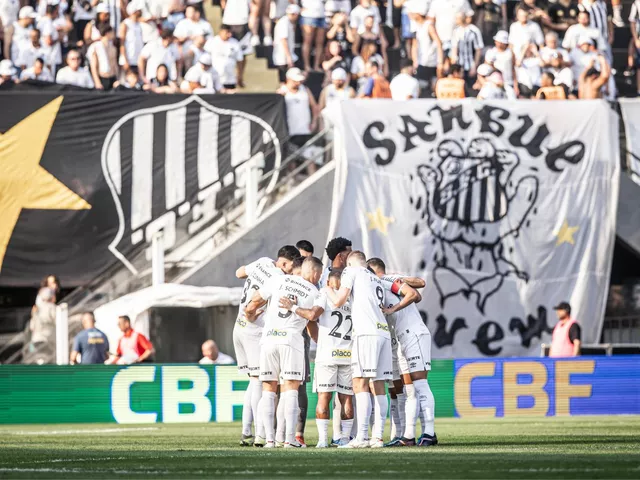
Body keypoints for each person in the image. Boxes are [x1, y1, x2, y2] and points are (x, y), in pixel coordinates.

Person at [245, 256, 323, 449]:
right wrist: (321, 343)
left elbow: (253, 302)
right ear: (313, 272)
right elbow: (312, 323)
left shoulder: (278, 280)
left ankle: (269, 440)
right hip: (291, 341)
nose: (318, 278)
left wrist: (250, 316)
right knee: (290, 390)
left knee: (268, 390)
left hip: (269, 338)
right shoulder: (314, 291)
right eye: (319, 274)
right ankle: (289, 440)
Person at [323, 251, 395, 448]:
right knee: (378, 386)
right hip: (383, 333)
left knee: (360, 383)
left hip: (366, 333)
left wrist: (327, 288)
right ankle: (378, 437)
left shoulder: (351, 271)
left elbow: (338, 301)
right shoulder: (376, 279)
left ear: (350, 263)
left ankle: (362, 437)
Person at [280, 268, 354, 448]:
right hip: (348, 354)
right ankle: (344, 439)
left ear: (328, 282)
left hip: (327, 354)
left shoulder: (324, 294)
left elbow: (312, 316)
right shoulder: (352, 298)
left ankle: (322, 440)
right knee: (346, 398)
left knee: (324, 397)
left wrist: (293, 307)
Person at [367, 257, 437, 447]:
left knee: (420, 385)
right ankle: (408, 436)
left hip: (414, 334)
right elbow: (417, 295)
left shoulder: (385, 280)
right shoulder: (385, 284)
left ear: (373, 272)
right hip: (401, 338)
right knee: (409, 390)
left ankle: (430, 433)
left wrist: (393, 308)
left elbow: (414, 293)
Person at [233, 245, 299, 446]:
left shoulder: (262, 262)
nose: (291, 272)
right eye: (291, 268)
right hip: (254, 328)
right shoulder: (278, 277)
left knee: (252, 381)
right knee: (258, 383)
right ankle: (259, 434)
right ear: (285, 263)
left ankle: (246, 431)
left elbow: (238, 273)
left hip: (238, 326)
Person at [280, 67, 318, 153]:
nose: (298, 83)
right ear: (288, 79)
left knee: (309, 158)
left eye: (299, 81)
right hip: (289, 131)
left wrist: (314, 122)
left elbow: (314, 106)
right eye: (295, 81)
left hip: (305, 130)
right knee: (291, 160)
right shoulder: (282, 92)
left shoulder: (305, 89)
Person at [412, 8, 444, 96]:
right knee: (422, 86)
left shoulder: (429, 26)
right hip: (422, 63)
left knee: (434, 87)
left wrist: (440, 62)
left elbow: (438, 43)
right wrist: (415, 61)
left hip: (432, 62)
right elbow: (414, 45)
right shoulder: (417, 26)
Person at [205, 24, 244, 90]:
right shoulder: (212, 42)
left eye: (230, 32)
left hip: (230, 78)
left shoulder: (235, 43)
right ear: (221, 32)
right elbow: (206, 58)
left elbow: (239, 60)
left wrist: (239, 75)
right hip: (216, 77)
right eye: (227, 32)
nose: (229, 35)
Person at [450, 12, 484, 81]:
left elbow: (478, 49)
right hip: (459, 65)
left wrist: (474, 66)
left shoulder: (474, 30)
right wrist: (454, 67)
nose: (456, 20)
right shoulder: (456, 31)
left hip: (470, 64)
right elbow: (454, 48)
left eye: (457, 18)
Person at [273, 4, 300, 84]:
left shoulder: (288, 22)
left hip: (286, 56)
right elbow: (283, 40)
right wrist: (289, 57)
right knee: (284, 81)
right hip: (282, 57)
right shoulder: (284, 23)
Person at [485, 30, 518, 96]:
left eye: (501, 42)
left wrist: (515, 85)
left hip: (508, 83)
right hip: (494, 84)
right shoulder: (491, 52)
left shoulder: (510, 53)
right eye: (497, 41)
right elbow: (486, 70)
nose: (498, 43)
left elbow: (513, 69)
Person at [89, 23, 118, 90]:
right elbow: (94, 66)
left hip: (112, 77)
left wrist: (117, 77)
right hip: (102, 77)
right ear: (107, 33)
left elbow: (114, 64)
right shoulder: (96, 47)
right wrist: (97, 81)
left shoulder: (113, 48)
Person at [118, 1, 144, 75]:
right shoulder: (125, 24)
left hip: (137, 60)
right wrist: (125, 60)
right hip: (128, 59)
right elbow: (122, 43)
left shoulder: (139, 25)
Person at [300, 0, 326, 71]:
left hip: (321, 14)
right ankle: (306, 66)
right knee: (307, 42)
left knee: (320, 43)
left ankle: (316, 66)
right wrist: (298, 6)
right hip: (308, 15)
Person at [29, 287, 57, 354]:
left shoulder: (36, 308)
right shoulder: (52, 307)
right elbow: (58, 322)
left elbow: (31, 327)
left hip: (36, 340)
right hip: (48, 340)